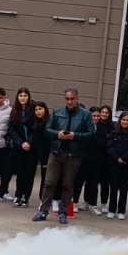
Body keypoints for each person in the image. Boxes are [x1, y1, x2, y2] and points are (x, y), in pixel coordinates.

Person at [33, 88, 96, 225]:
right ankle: (43, 211)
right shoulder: (57, 112)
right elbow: (47, 130)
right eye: (67, 98)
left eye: (72, 98)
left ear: (77, 98)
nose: (69, 101)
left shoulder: (85, 114)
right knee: (49, 182)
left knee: (67, 185)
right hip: (56, 152)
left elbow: (91, 133)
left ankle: (63, 212)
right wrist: (57, 134)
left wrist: (75, 136)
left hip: (74, 155)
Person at [1, 88, 35, 204]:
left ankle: (26, 197)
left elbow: (36, 129)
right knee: (20, 173)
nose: (23, 98)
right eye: (20, 95)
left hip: (32, 148)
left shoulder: (34, 109)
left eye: (25, 95)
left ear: (29, 97)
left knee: (29, 174)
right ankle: (18, 195)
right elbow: (11, 129)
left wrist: (29, 142)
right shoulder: (15, 110)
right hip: (19, 147)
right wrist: (21, 142)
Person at [105, 111, 128, 221]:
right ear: (120, 120)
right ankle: (111, 210)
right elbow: (109, 146)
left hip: (127, 164)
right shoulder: (113, 132)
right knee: (113, 188)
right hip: (114, 164)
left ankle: (121, 211)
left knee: (124, 189)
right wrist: (117, 158)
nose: (125, 122)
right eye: (123, 120)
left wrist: (124, 158)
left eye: (127, 120)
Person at [75, 106, 108, 215]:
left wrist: (91, 138)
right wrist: (91, 138)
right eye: (94, 116)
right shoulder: (84, 127)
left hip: (97, 160)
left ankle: (92, 205)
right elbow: (82, 140)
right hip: (83, 159)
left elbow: (102, 143)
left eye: (98, 116)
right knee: (79, 181)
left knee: (93, 183)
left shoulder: (102, 129)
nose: (96, 118)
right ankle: (74, 203)